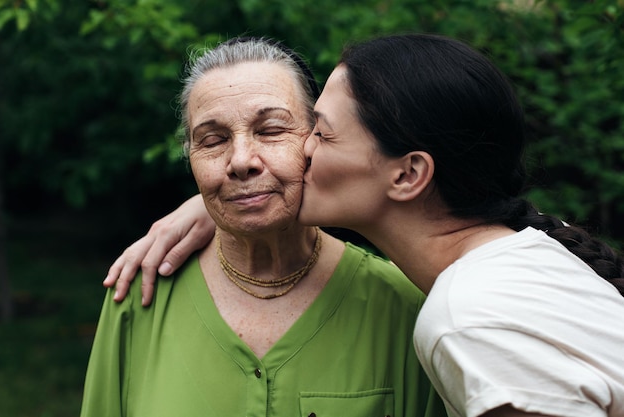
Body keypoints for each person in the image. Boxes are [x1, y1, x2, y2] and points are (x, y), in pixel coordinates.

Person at [104, 34, 624, 417]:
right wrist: (218, 202)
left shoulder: (465, 319)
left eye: (317, 134)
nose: (299, 149)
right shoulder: (528, 256)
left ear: (409, 174)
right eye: (212, 140)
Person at [81, 37, 446, 417]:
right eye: (213, 140)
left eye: (271, 130)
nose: (240, 161)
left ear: (315, 141)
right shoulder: (141, 295)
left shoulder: (404, 306)